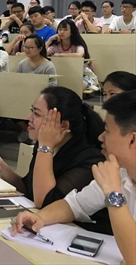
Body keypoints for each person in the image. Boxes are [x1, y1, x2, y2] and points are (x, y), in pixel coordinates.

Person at [11, 90, 136, 264]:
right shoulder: (121, 173)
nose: (101, 137)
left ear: (132, 140)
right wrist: (41, 217)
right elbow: (75, 205)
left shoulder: (108, 173)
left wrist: (113, 194)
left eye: (107, 131)